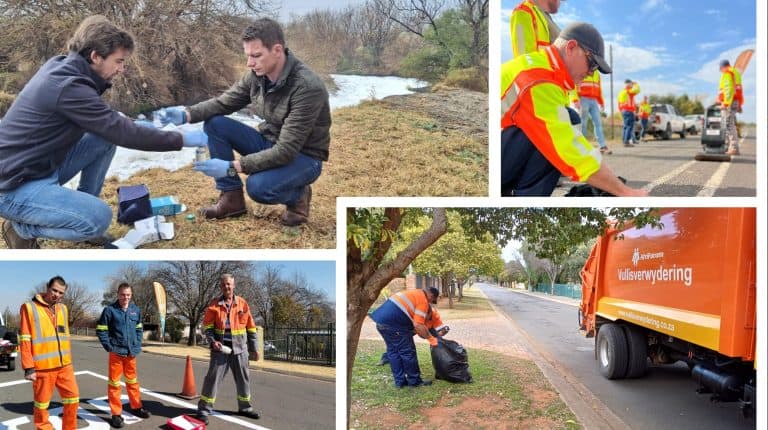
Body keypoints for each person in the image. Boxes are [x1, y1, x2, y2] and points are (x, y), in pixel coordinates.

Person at [0, 15, 206, 249]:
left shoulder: (64, 67)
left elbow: (109, 123)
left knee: (102, 138)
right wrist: (181, 139)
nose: (121, 69)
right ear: (95, 56)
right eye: (118, 61)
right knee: (99, 218)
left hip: (36, 166)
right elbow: (121, 131)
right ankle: (21, 229)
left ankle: (80, 212)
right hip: (12, 185)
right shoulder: (69, 86)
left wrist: (142, 125)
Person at [158, 18, 330, 226]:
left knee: (258, 188)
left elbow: (286, 150)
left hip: (304, 157)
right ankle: (232, 199)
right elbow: (223, 103)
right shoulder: (257, 76)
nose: (249, 63)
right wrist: (186, 114)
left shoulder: (307, 87)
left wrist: (231, 167)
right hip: (270, 141)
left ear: (277, 50)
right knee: (215, 124)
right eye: (247, 55)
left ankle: (298, 196)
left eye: (256, 56)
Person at [500, 22, 648, 197]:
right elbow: (568, 146)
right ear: (571, 48)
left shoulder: (546, 70)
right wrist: (625, 192)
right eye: (592, 64)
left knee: (568, 120)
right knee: (559, 136)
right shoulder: (538, 79)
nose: (591, 73)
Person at [196, 274, 260, 424]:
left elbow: (251, 328)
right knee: (212, 380)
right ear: (221, 287)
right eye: (224, 284)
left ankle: (245, 408)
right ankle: (203, 410)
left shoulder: (242, 304)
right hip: (220, 350)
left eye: (229, 284)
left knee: (243, 380)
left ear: (234, 285)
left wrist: (254, 348)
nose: (227, 287)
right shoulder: (214, 305)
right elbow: (208, 328)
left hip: (240, 350)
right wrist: (213, 342)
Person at [18, 276, 80, 429]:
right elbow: (25, 338)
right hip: (43, 368)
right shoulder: (29, 308)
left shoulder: (63, 309)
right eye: (54, 290)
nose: (57, 295)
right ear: (47, 287)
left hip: (65, 366)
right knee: (41, 406)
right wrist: (28, 367)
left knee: (73, 399)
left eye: (61, 293)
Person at [96, 283, 151, 428]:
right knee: (114, 384)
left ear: (131, 295)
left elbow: (139, 328)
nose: (125, 297)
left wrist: (137, 343)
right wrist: (109, 346)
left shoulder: (135, 310)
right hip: (116, 353)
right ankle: (116, 414)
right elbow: (101, 329)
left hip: (131, 353)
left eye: (128, 295)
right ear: (118, 294)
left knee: (133, 382)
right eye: (122, 294)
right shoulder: (109, 310)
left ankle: (136, 407)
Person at [370, 287, 440, 388]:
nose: (430, 303)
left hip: (380, 323)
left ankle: (400, 382)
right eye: (432, 301)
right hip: (395, 326)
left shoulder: (412, 293)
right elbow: (418, 325)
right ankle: (414, 382)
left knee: (393, 352)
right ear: (431, 295)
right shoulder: (423, 300)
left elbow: (413, 322)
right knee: (408, 353)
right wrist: (432, 339)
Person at [377, 305, 449, 366]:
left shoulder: (434, 314)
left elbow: (440, 329)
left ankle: (443, 358)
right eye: (422, 316)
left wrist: (441, 333)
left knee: (438, 340)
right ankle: (386, 358)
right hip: (413, 328)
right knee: (401, 343)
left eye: (426, 316)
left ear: (430, 313)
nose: (424, 318)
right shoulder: (411, 314)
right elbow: (418, 332)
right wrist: (424, 334)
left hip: (428, 327)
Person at [572, 70, 610, 154]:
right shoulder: (582, 68)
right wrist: (575, 99)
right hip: (583, 99)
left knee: (598, 123)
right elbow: (574, 85)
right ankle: (581, 146)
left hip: (594, 100)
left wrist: (601, 102)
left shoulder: (597, 74)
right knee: (583, 124)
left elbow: (599, 88)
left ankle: (602, 146)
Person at [717, 59, 740, 155]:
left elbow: (728, 89)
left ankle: (733, 148)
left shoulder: (727, 73)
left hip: (729, 102)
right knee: (729, 124)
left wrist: (725, 103)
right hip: (733, 101)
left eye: (720, 68)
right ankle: (730, 147)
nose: (720, 70)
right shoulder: (734, 72)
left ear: (723, 67)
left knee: (728, 124)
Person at [618, 79, 641, 147]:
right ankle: (626, 142)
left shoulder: (621, 92)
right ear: (628, 84)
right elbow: (637, 90)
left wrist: (621, 111)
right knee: (629, 127)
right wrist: (636, 84)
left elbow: (619, 103)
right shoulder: (628, 91)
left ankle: (624, 141)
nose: (632, 85)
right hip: (629, 111)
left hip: (624, 111)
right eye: (631, 84)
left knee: (625, 127)